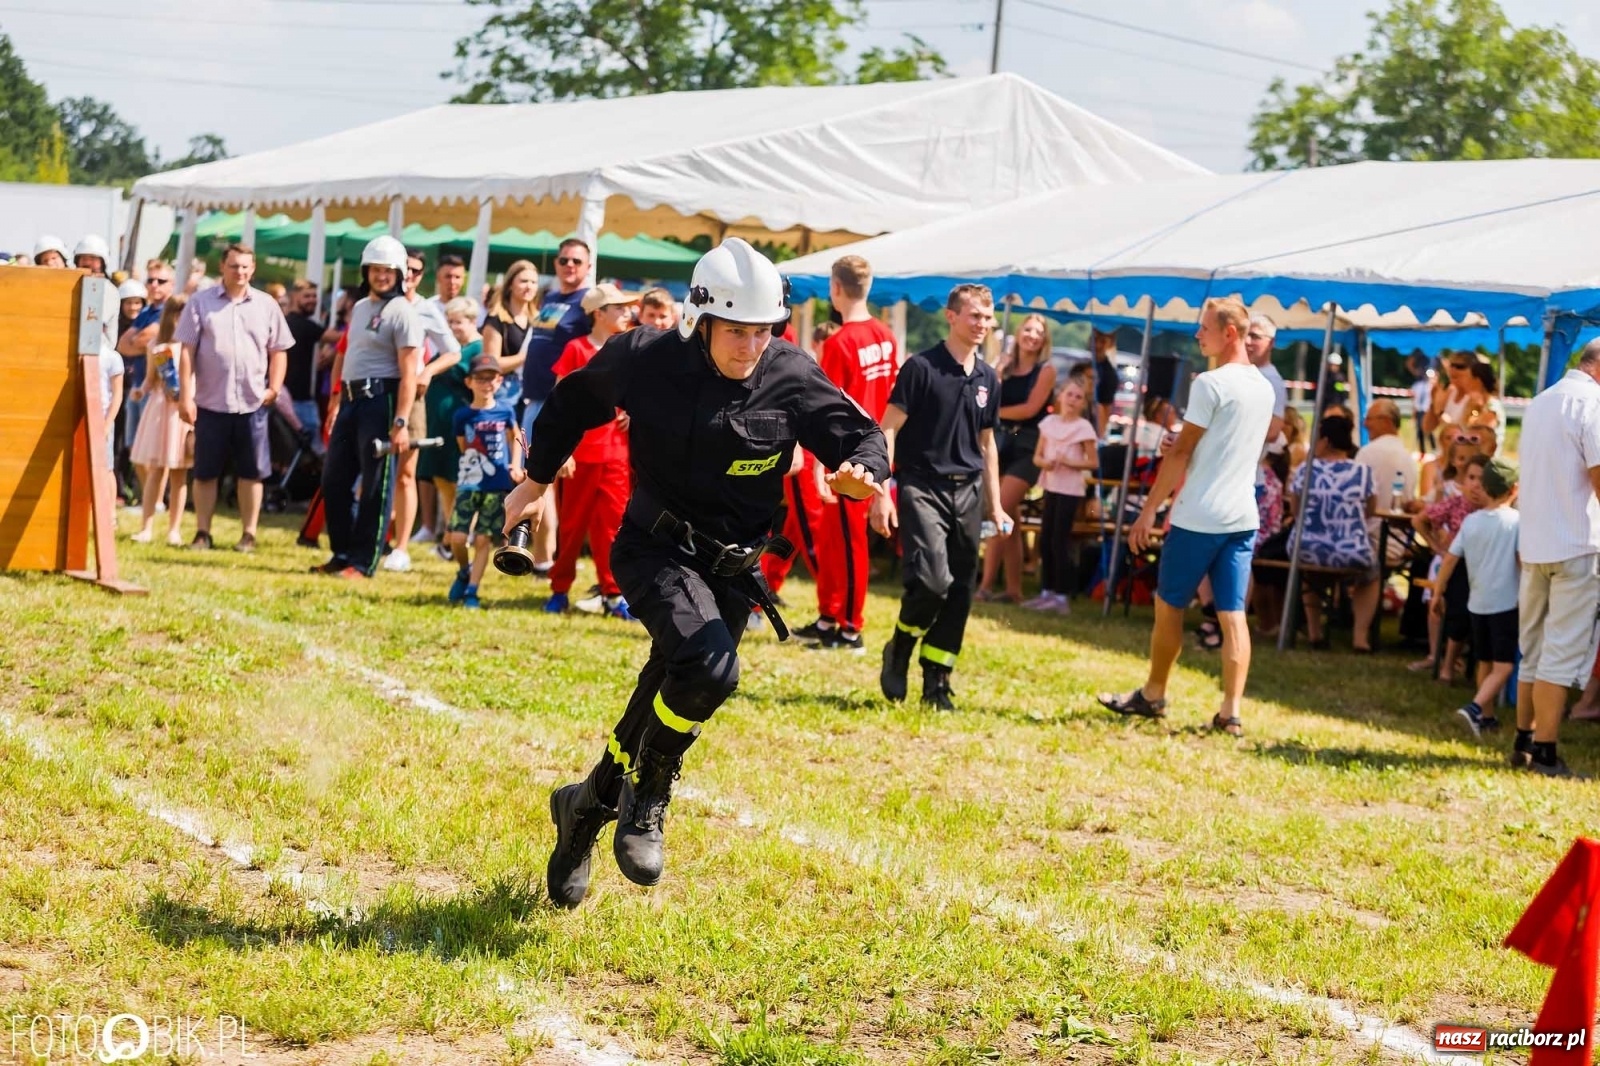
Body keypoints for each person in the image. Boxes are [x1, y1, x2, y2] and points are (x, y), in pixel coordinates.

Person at [500, 237, 887, 909]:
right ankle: (648, 796)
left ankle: (584, 810)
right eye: (737, 331)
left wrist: (864, 472)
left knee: (669, 685)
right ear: (701, 319)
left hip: (733, 568)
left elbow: (862, 436)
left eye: (762, 331)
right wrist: (533, 483)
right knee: (711, 670)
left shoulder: (790, 372)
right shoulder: (645, 359)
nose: (750, 346)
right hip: (654, 548)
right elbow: (568, 404)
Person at [1097, 297, 1275, 737]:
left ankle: (1154, 693)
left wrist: (1149, 512)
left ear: (1229, 333)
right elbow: (1215, 442)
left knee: (1169, 606)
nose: (1198, 335)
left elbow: (1181, 453)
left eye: (1204, 328)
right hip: (1241, 515)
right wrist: (1180, 445)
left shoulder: (1209, 383)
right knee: (1232, 614)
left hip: (1198, 515)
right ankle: (1231, 712)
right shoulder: (1264, 386)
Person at [872, 283, 1009, 712]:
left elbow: (987, 445)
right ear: (951, 317)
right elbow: (887, 428)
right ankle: (900, 646)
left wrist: (996, 503)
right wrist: (881, 492)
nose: (982, 325)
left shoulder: (988, 377)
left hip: (967, 489)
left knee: (961, 591)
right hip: (922, 485)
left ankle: (937, 680)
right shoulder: (921, 368)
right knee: (932, 582)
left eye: (988, 318)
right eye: (974, 316)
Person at [1511, 339, 1600, 777]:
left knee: (1533, 648)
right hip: (1577, 542)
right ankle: (1545, 750)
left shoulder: (1541, 402)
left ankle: (1523, 738)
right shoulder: (1594, 405)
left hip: (1536, 541)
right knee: (1560, 653)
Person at [805, 254, 901, 649]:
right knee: (834, 539)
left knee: (848, 542)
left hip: (850, 456)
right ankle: (830, 617)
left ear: (836, 288)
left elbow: (827, 409)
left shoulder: (841, 342)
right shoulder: (886, 335)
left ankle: (850, 626)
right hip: (874, 448)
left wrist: (817, 465)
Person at [317, 236, 422, 579]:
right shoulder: (360, 307)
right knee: (334, 479)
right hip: (349, 399)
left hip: (382, 400)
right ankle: (342, 552)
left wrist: (402, 421)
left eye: (388, 271)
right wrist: (335, 399)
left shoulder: (404, 312)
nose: (381, 276)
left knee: (376, 485)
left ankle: (363, 562)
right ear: (366, 272)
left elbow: (409, 374)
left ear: (399, 274)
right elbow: (346, 355)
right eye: (376, 270)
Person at [174, 244, 289, 553]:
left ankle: (249, 534)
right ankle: (202, 532)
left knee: (252, 472)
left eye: (245, 267)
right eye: (234, 266)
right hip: (211, 403)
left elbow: (279, 350)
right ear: (223, 266)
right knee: (205, 471)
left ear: (253, 269)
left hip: (253, 404)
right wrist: (186, 396)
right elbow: (186, 351)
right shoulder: (200, 303)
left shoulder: (266, 305)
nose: (240, 272)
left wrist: (273, 389)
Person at [545, 283, 641, 617]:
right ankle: (559, 589)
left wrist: (635, 411)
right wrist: (563, 451)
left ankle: (614, 594)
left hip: (616, 457)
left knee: (613, 529)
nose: (628, 312)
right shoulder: (575, 349)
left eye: (628, 307)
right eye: (619, 307)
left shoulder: (629, 349)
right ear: (598, 314)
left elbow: (645, 395)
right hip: (581, 456)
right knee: (571, 527)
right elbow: (559, 404)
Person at [383, 248, 463, 571]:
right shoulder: (379, 302)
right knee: (375, 472)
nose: (410, 276)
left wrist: (427, 371)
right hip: (377, 391)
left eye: (416, 271)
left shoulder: (426, 308)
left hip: (412, 396)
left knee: (406, 473)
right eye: (405, 270)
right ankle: (377, 538)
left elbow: (454, 351)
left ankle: (401, 547)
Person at [1434, 458, 1520, 736]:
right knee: (1504, 666)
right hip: (1505, 604)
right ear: (1514, 489)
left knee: (1485, 661)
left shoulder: (1470, 521)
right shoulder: (1516, 522)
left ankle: (1487, 718)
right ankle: (1475, 707)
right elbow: (1521, 561)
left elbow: (1449, 559)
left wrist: (1438, 591)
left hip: (1477, 604)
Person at [1281, 416, 1381, 652]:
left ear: (1324, 440)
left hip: (1305, 548)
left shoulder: (1306, 470)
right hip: (1350, 550)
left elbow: (1295, 511)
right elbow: (1371, 511)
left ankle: (1315, 632)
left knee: (1310, 575)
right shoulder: (1363, 472)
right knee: (1372, 572)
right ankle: (1360, 636)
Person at [976, 313, 1056, 605]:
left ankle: (983, 587)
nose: (1032, 335)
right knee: (1012, 522)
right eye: (1028, 329)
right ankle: (1013, 590)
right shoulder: (1005, 367)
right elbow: (988, 393)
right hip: (1001, 443)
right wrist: (1000, 367)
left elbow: (1028, 409)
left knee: (999, 510)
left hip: (1028, 446)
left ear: (1044, 339)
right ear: (1019, 332)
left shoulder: (1046, 371)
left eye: (1038, 332)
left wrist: (991, 416)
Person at [482, 260, 550, 571]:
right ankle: (503, 538)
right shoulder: (497, 319)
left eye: (533, 282)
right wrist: (525, 357)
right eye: (523, 281)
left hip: (533, 402)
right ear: (510, 284)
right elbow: (490, 362)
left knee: (534, 470)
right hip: (507, 402)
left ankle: (535, 548)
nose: (528, 287)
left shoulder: (541, 318)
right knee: (509, 470)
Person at [447, 352, 523, 609]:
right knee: (457, 538)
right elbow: (462, 447)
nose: (486, 383)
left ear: (500, 381)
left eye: (492, 378)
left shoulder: (505, 410)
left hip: (497, 482)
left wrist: (515, 464)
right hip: (469, 483)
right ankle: (463, 571)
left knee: (483, 539)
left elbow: (516, 436)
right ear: (469, 382)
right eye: (480, 378)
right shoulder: (461, 415)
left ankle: (472, 590)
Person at [1026, 377, 1098, 612]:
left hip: (1070, 489)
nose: (1073, 400)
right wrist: (1045, 463)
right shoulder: (1048, 423)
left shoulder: (1084, 428)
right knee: (1045, 539)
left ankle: (1062, 594)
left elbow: (1093, 462)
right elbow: (1037, 456)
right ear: (1060, 397)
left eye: (1079, 397)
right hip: (1051, 485)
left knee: (1059, 540)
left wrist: (1070, 461)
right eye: (1070, 395)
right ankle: (1047, 590)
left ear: (1083, 404)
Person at [128, 295, 193, 546]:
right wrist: (140, 391)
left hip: (183, 410)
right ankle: (147, 526)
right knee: (156, 469)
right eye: (179, 313)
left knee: (179, 473)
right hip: (161, 409)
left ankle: (174, 529)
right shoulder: (157, 344)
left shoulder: (194, 344)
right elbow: (150, 378)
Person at [425, 297, 481, 555]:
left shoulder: (477, 348)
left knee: (460, 481)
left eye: (457, 322)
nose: (453, 327)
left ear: (472, 321)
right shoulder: (447, 347)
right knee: (441, 479)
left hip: (461, 425)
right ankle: (450, 535)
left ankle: (458, 536)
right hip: (438, 423)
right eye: (449, 322)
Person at [284, 280, 337, 455]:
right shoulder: (302, 324)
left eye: (315, 296)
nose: (312, 300)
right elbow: (337, 337)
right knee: (315, 453)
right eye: (307, 296)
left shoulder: (287, 322)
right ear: (293, 297)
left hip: (288, 399)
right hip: (299, 401)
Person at [1244, 314, 1287, 445]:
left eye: (1255, 336)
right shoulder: (1244, 372)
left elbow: (1273, 431)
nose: (1247, 341)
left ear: (1271, 343)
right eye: (1245, 335)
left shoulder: (1271, 380)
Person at [1091, 328, 1119, 438]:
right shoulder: (1084, 363)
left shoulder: (1109, 374)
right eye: (1095, 339)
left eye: (1102, 341)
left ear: (1110, 344)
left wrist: (1099, 436)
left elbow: (1106, 408)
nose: (1097, 345)